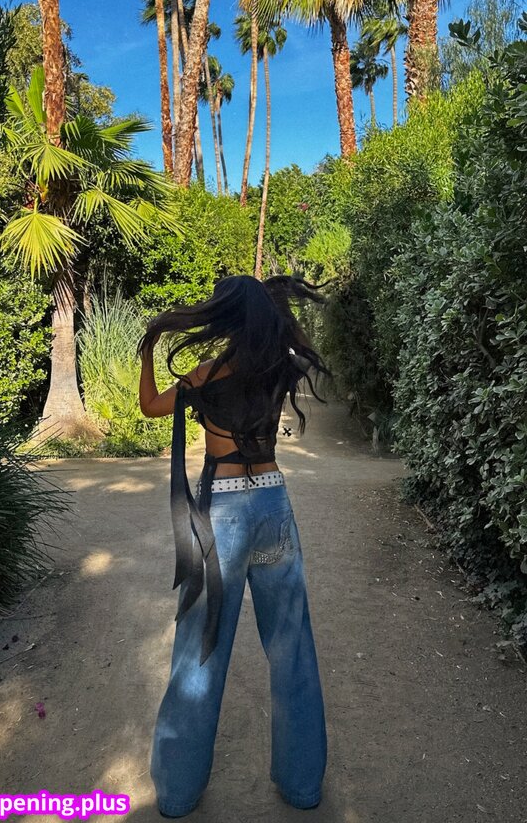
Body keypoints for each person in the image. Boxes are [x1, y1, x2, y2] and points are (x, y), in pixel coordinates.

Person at [138, 273, 329, 818]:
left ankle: (177, 793)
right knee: (293, 647)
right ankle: (303, 786)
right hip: (273, 505)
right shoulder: (277, 368)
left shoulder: (205, 373)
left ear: (222, 315)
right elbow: (297, 350)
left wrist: (149, 349)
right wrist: (277, 315)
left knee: (200, 649)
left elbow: (151, 406)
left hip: (222, 511)